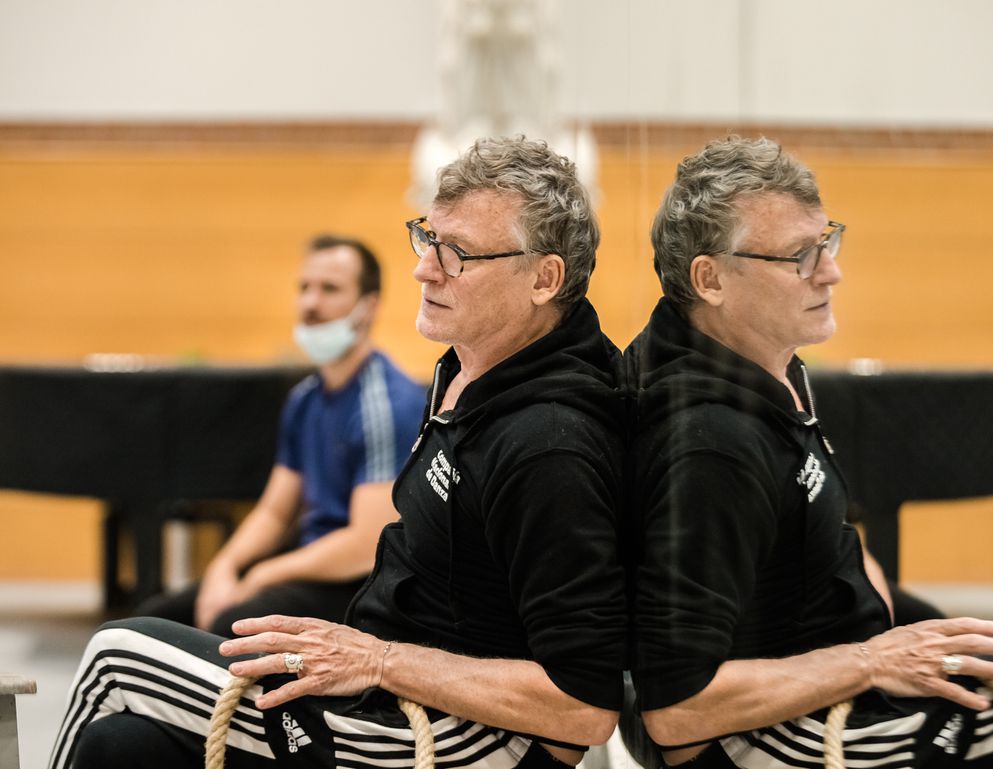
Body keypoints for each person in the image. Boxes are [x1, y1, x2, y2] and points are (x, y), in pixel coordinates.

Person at [50, 137, 627, 769]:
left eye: (458, 253)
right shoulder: (469, 369)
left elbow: (584, 707)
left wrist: (376, 659)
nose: (425, 268)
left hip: (459, 736)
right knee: (121, 746)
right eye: (428, 238)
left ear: (545, 278)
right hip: (388, 682)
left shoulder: (550, 444)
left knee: (118, 654)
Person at [625, 136, 993, 769]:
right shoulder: (708, 445)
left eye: (827, 241)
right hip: (780, 737)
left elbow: (819, 536)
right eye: (800, 255)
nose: (831, 270)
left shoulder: (763, 368)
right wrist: (870, 660)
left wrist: (889, 624)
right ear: (710, 279)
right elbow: (675, 713)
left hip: (835, 676)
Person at [136, 234, 425, 638]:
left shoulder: (387, 403)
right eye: (304, 288)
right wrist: (225, 568)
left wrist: (263, 575)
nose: (310, 303)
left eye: (330, 289)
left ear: (369, 306)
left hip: (359, 585)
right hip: (307, 563)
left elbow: (365, 545)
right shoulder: (304, 400)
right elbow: (274, 512)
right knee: (148, 624)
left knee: (226, 628)